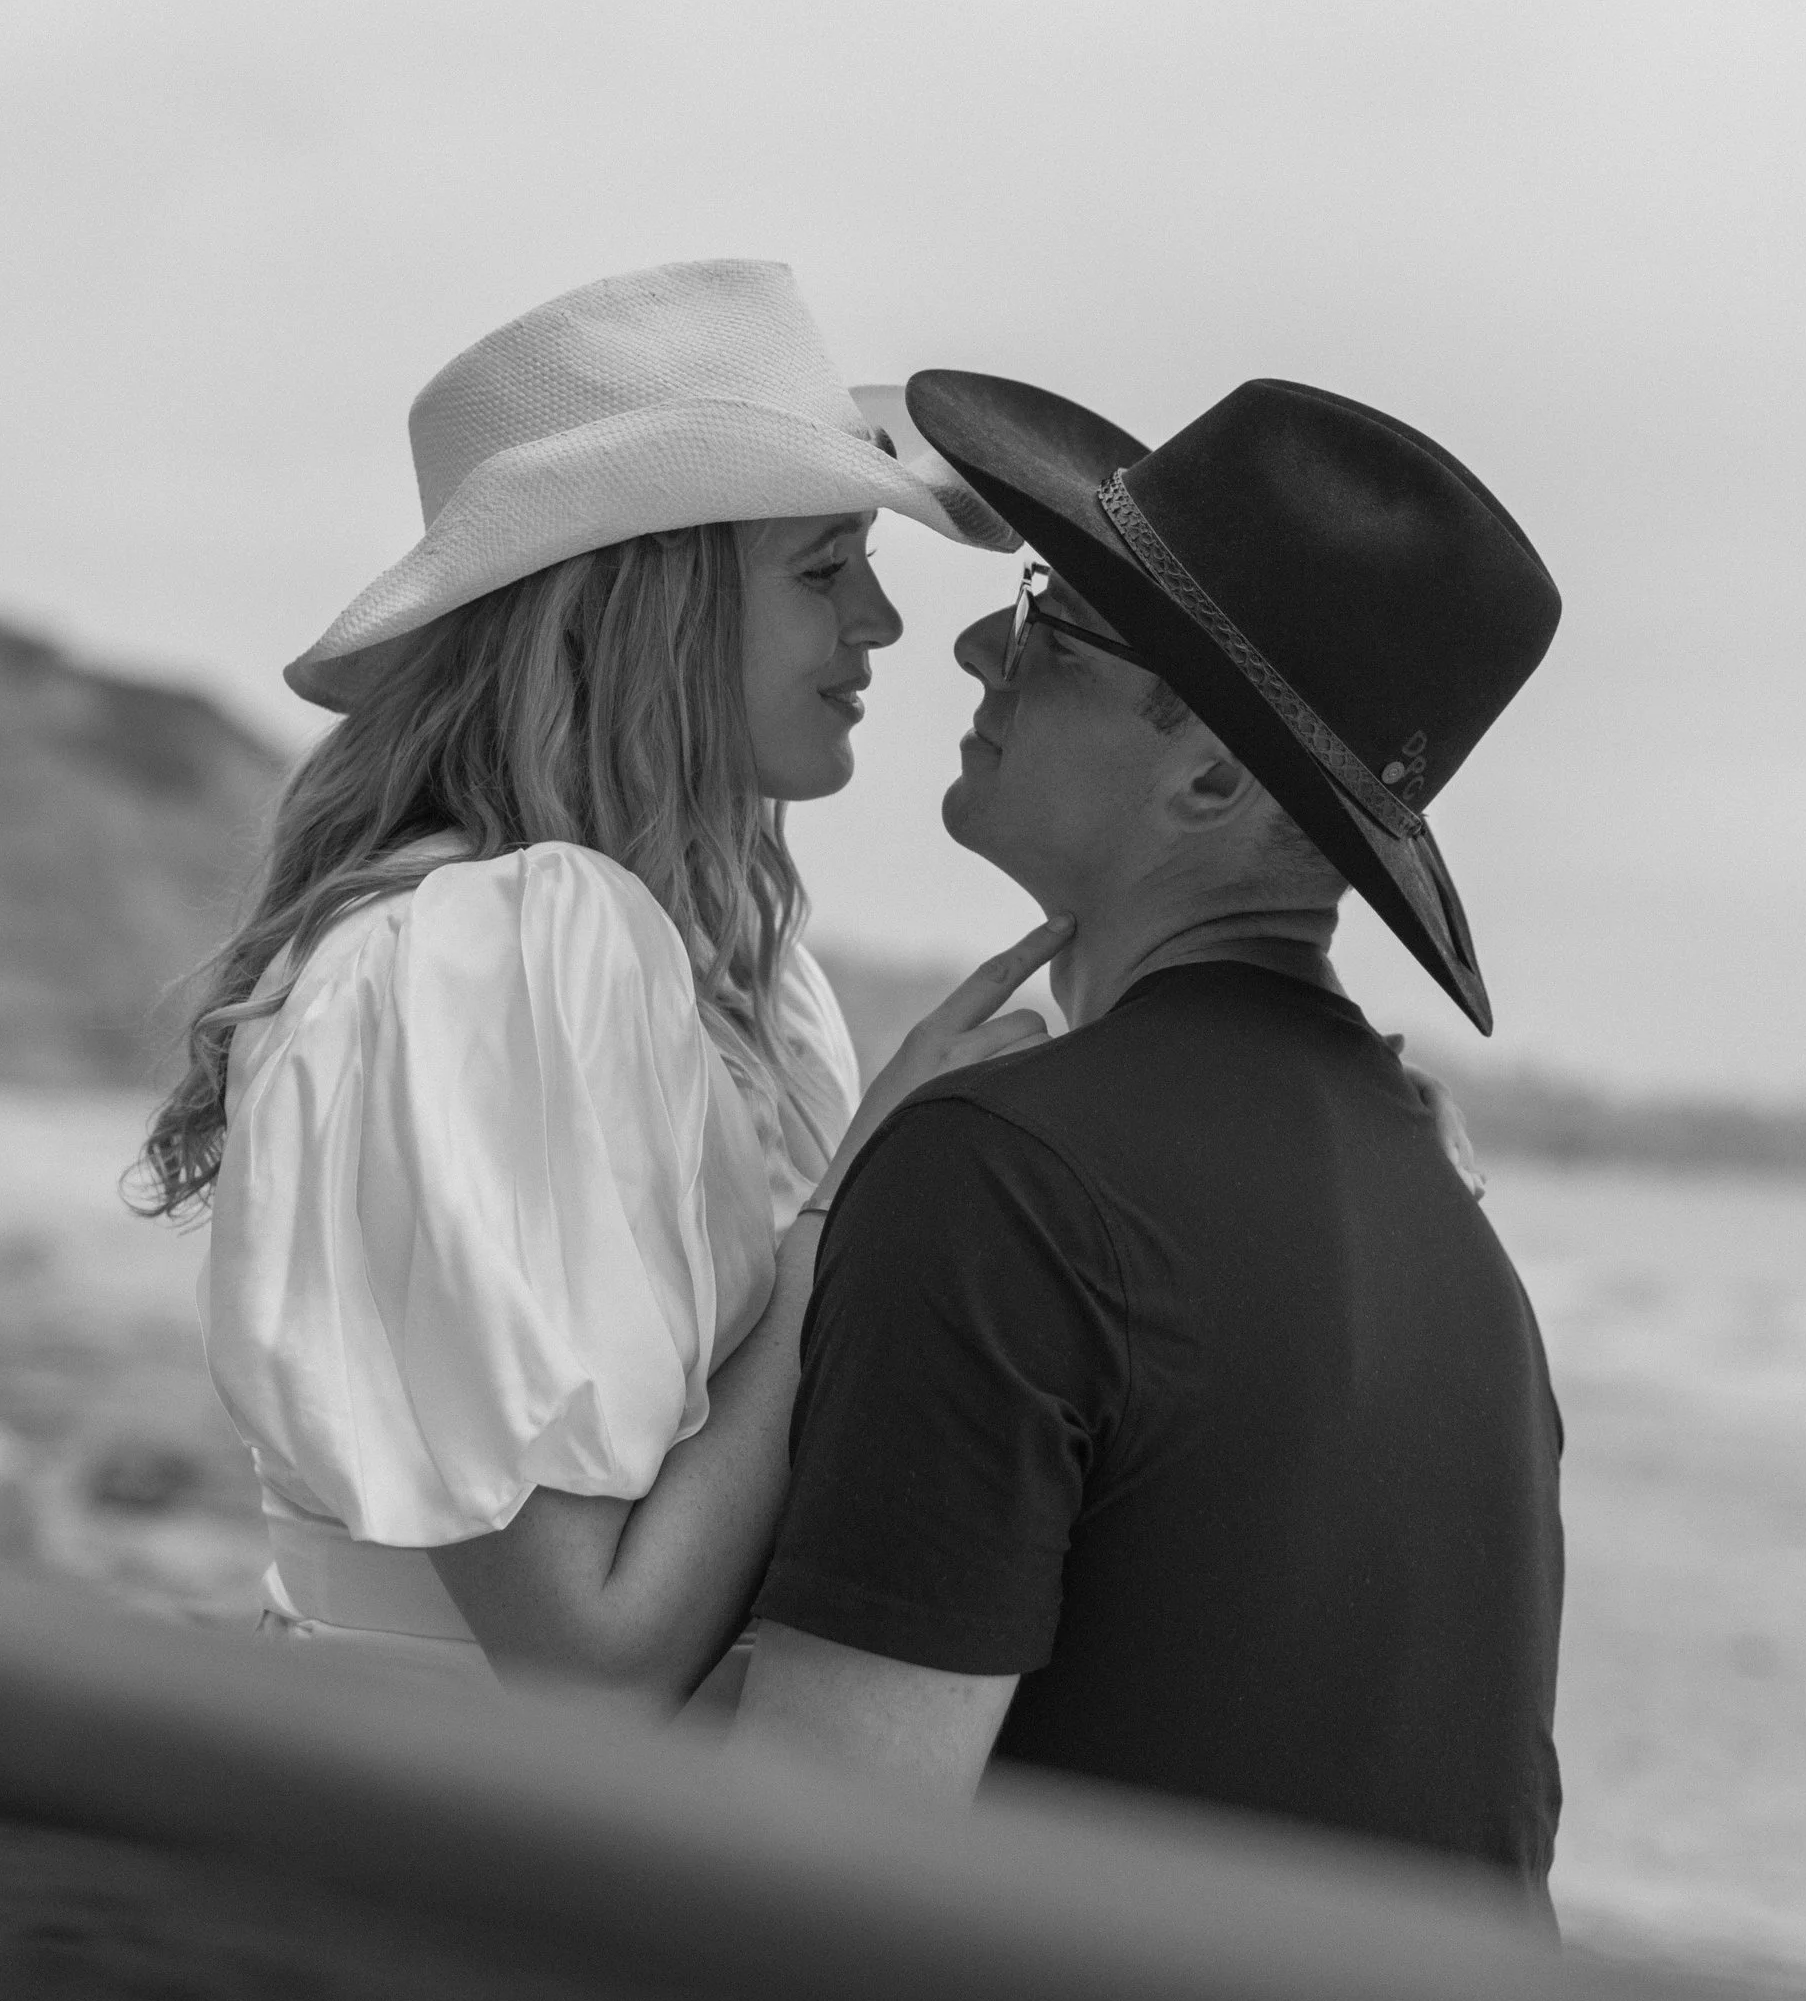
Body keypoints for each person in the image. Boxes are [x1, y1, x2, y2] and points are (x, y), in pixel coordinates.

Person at [132, 259, 1059, 1694]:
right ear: (641, 610)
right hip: (453, 1855)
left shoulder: (732, 969)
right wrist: (861, 1204)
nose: (881, 626)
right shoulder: (495, 957)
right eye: (824, 570)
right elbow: (591, 1668)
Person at [737, 368, 1568, 1886]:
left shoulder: (1001, 1177)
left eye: (1051, 629)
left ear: (1206, 776)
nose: (981, 642)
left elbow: (808, 1875)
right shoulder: (1456, 1234)